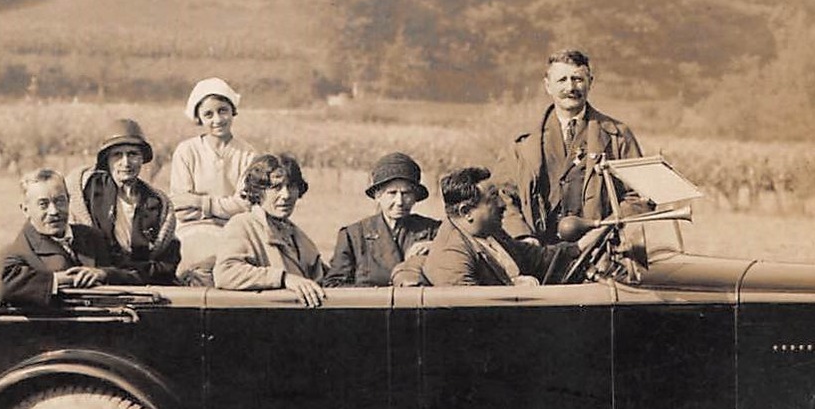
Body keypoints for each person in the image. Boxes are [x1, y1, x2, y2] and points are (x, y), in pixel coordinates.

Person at [500, 49, 644, 242]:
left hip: (602, 251)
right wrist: (523, 237)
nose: (571, 87)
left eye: (577, 79)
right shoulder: (523, 142)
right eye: (562, 80)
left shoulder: (618, 135)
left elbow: (639, 197)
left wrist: (602, 231)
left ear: (590, 82)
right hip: (538, 253)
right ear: (547, 86)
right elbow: (503, 196)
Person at [0, 169, 144, 307]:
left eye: (60, 201)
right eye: (43, 204)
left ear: (69, 200)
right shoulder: (17, 250)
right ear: (25, 209)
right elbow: (2, 286)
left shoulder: (93, 237)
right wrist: (59, 280)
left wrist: (103, 273)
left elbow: (133, 273)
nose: (54, 211)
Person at [68, 120, 180, 284]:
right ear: (107, 160)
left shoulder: (158, 204)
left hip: (143, 284)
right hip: (89, 283)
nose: (126, 163)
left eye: (133, 154)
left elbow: (165, 265)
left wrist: (112, 274)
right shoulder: (86, 191)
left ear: (142, 159)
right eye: (117, 155)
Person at [169, 77, 258, 274]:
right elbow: (181, 208)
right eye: (208, 114)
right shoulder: (187, 151)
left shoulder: (248, 154)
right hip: (191, 231)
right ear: (199, 118)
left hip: (235, 231)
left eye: (222, 111)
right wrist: (226, 205)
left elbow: (245, 206)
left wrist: (200, 202)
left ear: (232, 111)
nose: (217, 120)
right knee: (197, 265)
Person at [213, 153, 327, 306]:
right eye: (276, 187)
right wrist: (283, 278)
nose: (286, 195)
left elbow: (323, 276)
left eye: (291, 186)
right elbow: (226, 273)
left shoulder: (297, 234)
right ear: (258, 192)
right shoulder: (243, 225)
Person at [422, 166, 564, 287]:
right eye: (493, 197)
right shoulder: (452, 257)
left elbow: (535, 257)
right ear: (466, 212)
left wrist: (580, 246)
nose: (503, 204)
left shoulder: (489, 232)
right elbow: (476, 313)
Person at [322, 152, 441, 288]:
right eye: (392, 193)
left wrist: (436, 247)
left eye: (406, 193)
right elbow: (334, 284)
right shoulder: (354, 236)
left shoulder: (433, 231)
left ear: (415, 197)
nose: (400, 201)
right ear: (378, 196)